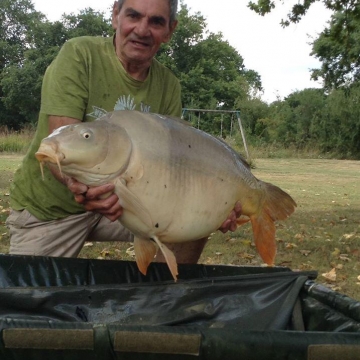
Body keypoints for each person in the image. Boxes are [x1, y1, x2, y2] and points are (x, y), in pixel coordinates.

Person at [6, 0, 241, 265]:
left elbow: (176, 167)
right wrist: (79, 186)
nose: (142, 30)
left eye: (156, 22)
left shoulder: (168, 85)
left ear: (169, 30)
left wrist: (213, 208)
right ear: (116, 15)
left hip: (124, 207)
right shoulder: (79, 55)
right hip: (51, 209)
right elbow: (59, 149)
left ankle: (165, 298)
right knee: (32, 300)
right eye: (133, 15)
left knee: (192, 224)